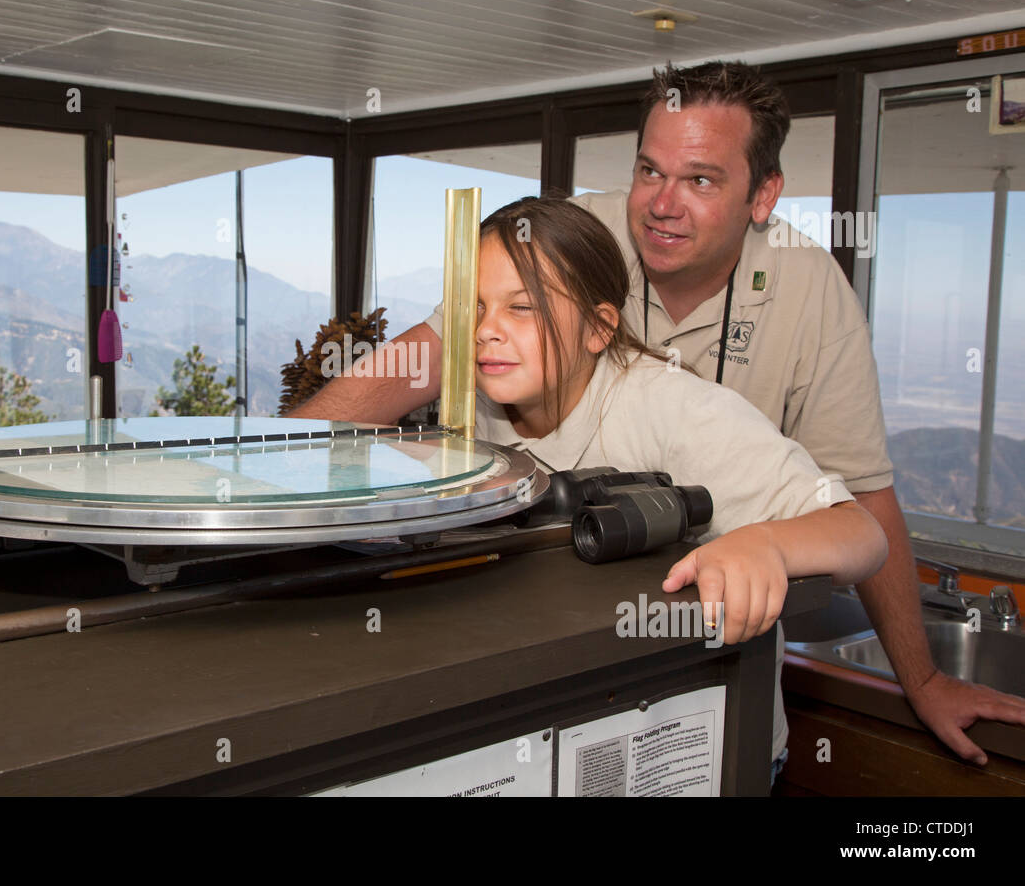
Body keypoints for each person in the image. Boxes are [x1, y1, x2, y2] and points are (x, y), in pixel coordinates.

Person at [289, 59, 1025, 772]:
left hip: (701, 718)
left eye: (701, 179)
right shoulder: (562, 242)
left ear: (762, 196)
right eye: (650, 170)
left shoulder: (789, 309)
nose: (662, 203)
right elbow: (420, 360)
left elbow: (862, 505)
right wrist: (284, 468)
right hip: (571, 704)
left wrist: (917, 677)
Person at [469, 195, 887, 640]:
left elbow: (862, 534)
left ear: (598, 328)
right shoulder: (474, 401)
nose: (484, 330)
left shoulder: (677, 409)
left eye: (521, 307)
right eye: (475, 306)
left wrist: (766, 544)